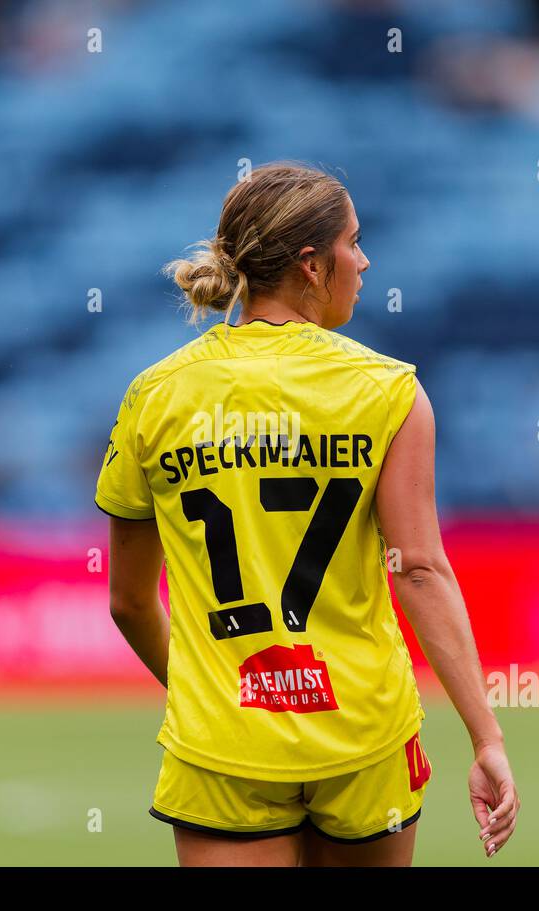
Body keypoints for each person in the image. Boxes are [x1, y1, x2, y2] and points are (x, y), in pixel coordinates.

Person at [95, 161, 517, 866]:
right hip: (365, 738)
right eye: (355, 243)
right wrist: (486, 737)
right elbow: (418, 570)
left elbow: (130, 601)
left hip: (225, 744)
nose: (366, 260)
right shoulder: (390, 393)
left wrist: (210, 695)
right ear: (313, 266)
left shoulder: (155, 396)